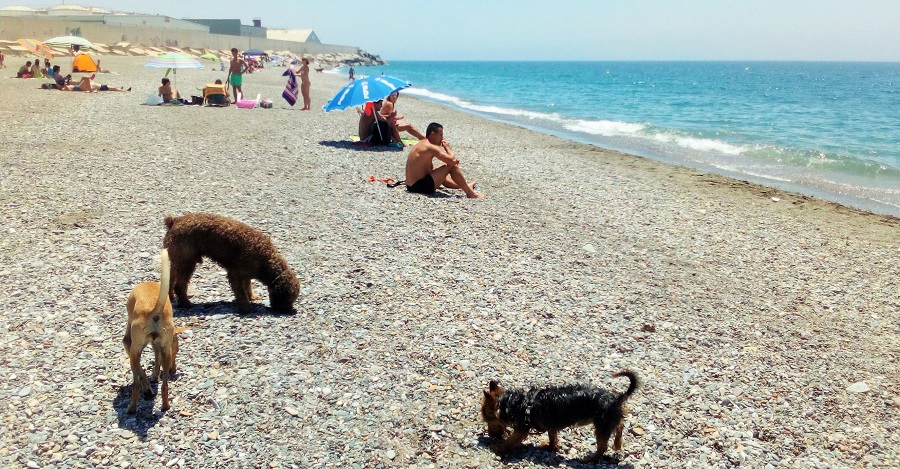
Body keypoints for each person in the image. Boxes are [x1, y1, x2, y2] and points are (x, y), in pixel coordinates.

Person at [404, 122, 484, 198]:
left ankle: (463, 186)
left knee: (436, 169)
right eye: (441, 135)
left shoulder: (422, 143)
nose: (442, 138)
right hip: (419, 187)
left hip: (411, 186)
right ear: (433, 135)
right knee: (451, 166)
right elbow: (452, 161)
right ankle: (470, 193)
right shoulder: (430, 147)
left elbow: (430, 168)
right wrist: (447, 148)